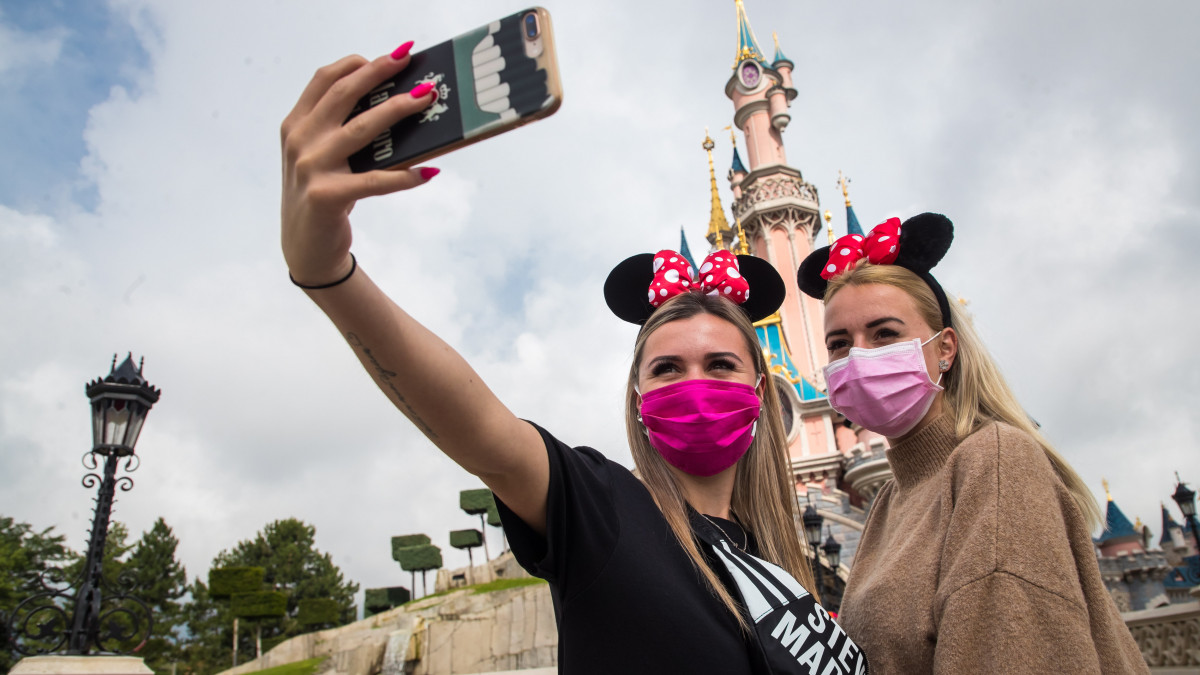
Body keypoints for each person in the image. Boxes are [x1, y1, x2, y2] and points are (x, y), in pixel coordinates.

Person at [281, 48, 869, 674]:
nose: (695, 382)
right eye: (666, 368)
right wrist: (328, 275)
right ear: (636, 398)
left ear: (760, 389)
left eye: (721, 365)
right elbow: (481, 427)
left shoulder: (781, 566)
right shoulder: (609, 517)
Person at [797, 214, 1149, 673]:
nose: (860, 356)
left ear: (945, 348)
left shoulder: (996, 461)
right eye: (839, 343)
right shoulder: (891, 498)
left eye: (885, 333)